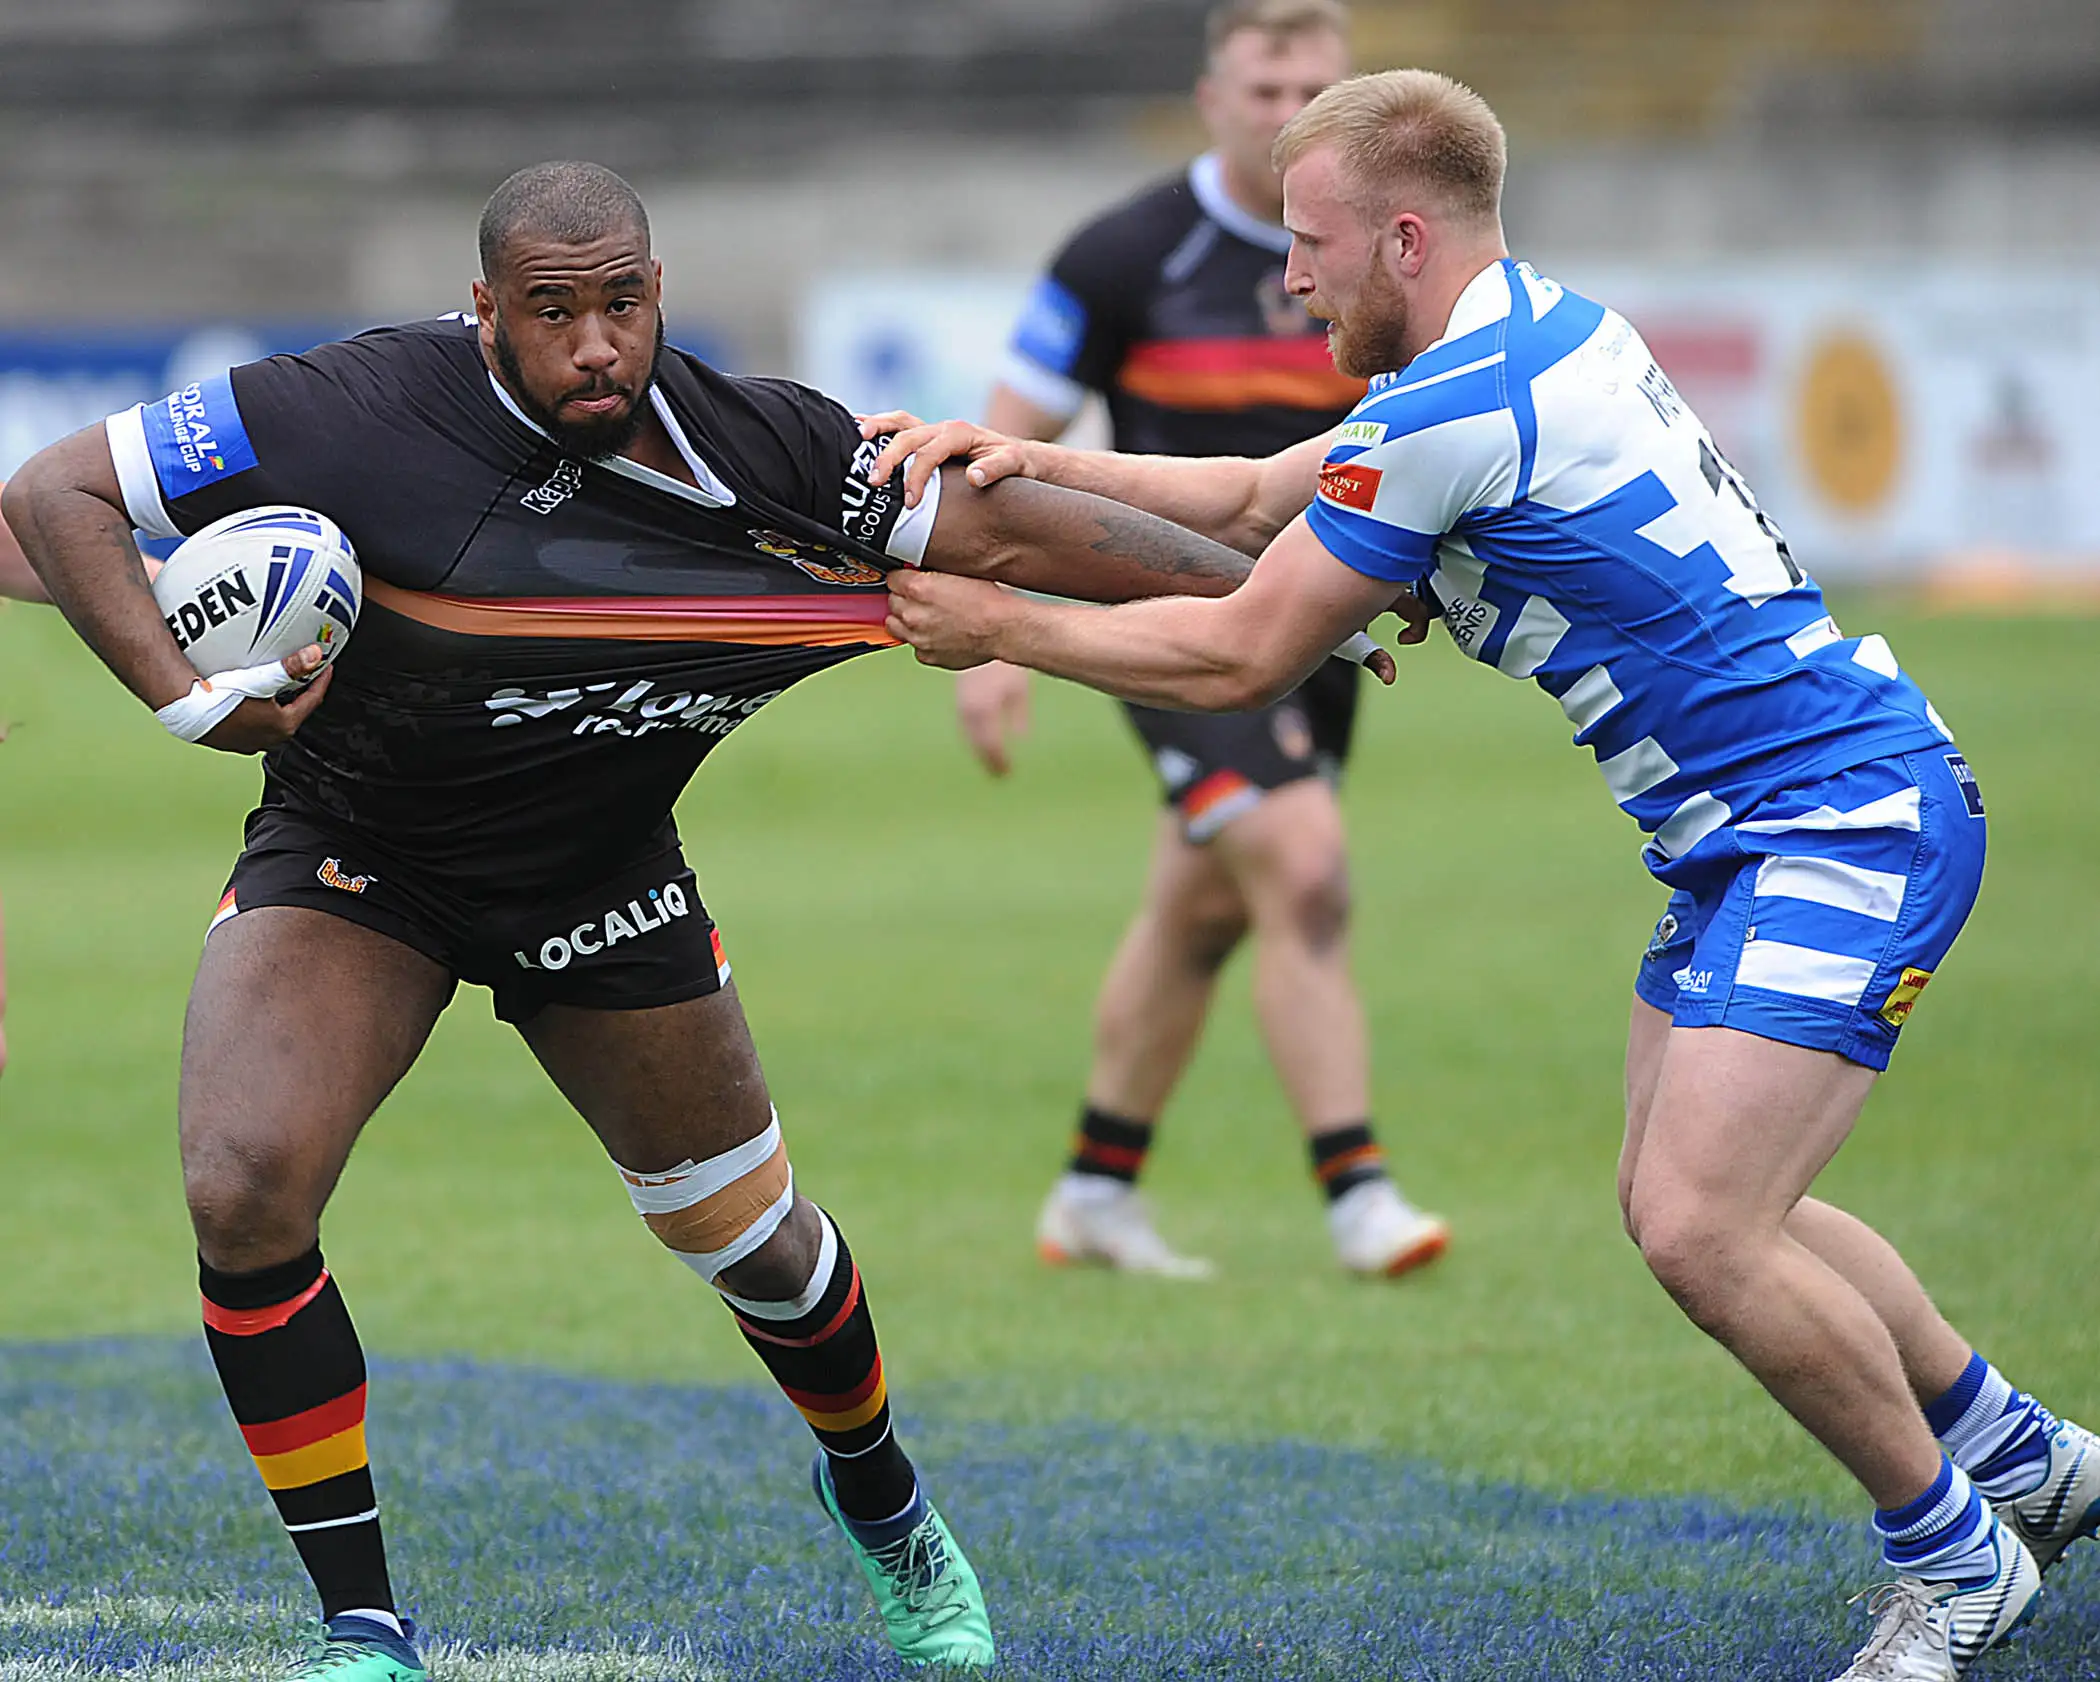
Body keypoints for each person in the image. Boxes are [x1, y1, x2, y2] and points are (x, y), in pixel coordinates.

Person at [874, 70, 2100, 1681]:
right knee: (1715, 1204)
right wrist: (1022, 459)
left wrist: (1002, 624)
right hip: (1769, 824)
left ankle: (1954, 1560)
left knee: (1699, 1224)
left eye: (1311, 244)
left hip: (1839, 816)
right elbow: (1252, 496)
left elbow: (1243, 647)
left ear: (1402, 235)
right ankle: (2025, 1459)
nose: (1288, 275)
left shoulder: (1455, 404)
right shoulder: (1529, 333)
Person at [3, 161, 1289, 1682]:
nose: (597, 345)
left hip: (599, 873)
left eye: (622, 304)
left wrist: (1283, 579)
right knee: (242, 1184)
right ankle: (359, 1626)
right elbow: (47, 495)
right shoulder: (348, 407)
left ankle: (888, 1507)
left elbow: (1020, 538)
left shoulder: (776, 453)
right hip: (362, 855)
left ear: (660, 291)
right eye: (555, 315)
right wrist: (188, 695)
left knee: (748, 1241)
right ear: (486, 313)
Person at [970, 0, 1446, 1281]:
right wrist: (1002, 638)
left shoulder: (1385, 261)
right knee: (1301, 864)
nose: (1286, 111)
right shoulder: (1122, 255)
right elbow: (1007, 434)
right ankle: (1359, 1192)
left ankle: (1094, 1187)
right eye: (1262, 87)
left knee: (1204, 911)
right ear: (1210, 95)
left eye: (1314, 88)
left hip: (1325, 625)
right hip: (1174, 622)